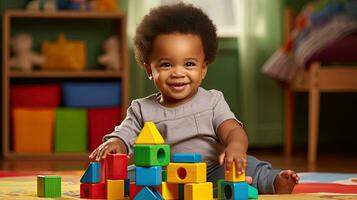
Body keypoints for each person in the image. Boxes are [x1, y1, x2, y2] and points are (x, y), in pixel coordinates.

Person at [89, 2, 299, 195]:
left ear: (203, 68)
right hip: (162, 176)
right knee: (125, 175)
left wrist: (235, 146)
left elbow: (233, 129)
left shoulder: (213, 101)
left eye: (189, 64)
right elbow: (125, 133)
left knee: (250, 165)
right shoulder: (141, 108)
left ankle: (273, 181)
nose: (178, 73)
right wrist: (116, 143)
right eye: (166, 64)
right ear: (148, 69)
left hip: (210, 170)